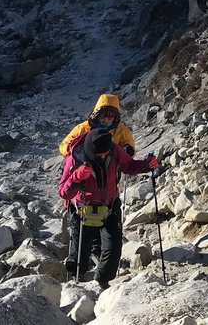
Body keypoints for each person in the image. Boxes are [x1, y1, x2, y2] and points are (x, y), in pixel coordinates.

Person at [58, 128, 157, 287]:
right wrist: (76, 177)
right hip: (83, 210)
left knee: (113, 248)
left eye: (105, 154)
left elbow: (129, 166)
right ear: (90, 151)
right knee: (79, 252)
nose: (103, 157)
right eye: (99, 156)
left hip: (109, 206)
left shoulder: (113, 149)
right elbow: (63, 192)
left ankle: (102, 282)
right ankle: (77, 279)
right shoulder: (75, 157)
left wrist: (146, 165)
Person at [59, 94, 136, 158]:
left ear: (115, 119)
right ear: (96, 116)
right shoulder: (83, 128)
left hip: (110, 169)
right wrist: (70, 148)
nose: (106, 121)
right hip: (84, 167)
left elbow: (131, 152)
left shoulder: (122, 131)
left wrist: (128, 151)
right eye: (102, 118)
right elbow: (63, 146)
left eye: (109, 119)